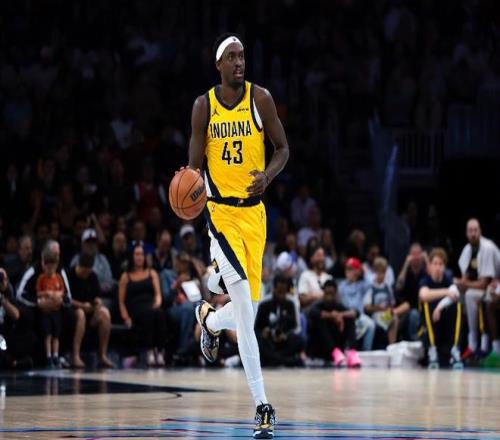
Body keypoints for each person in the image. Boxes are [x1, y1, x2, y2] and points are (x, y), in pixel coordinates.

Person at [187, 33, 289, 438]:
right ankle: (262, 405)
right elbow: (194, 169)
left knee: (250, 311)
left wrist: (269, 175)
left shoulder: (260, 99)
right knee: (245, 309)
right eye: (231, 57)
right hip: (221, 214)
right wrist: (188, 189)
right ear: (218, 65)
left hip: (254, 216)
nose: (239, 62)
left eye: (242, 56)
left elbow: (283, 149)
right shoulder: (204, 106)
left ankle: (210, 319)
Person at [456, 219, 500, 359]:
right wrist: (461, 284)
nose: (473, 233)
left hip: (495, 284)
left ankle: (492, 347)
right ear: (466, 233)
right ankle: (469, 345)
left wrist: (465, 284)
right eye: (470, 230)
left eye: (476, 230)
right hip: (482, 286)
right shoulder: (467, 250)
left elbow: (484, 283)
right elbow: (465, 278)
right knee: (461, 296)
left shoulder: (487, 247)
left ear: (480, 231)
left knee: (488, 300)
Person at [118, 242, 167, 367]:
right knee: (148, 314)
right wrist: (126, 318)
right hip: (136, 309)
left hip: (151, 305)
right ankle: (149, 351)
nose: (139, 257)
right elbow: (121, 302)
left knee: (160, 313)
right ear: (132, 256)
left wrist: (157, 303)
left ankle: (159, 351)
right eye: (136, 254)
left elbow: (158, 294)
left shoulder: (152, 273)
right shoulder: (126, 276)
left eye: (141, 254)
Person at [419, 248, 463, 369]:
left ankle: (455, 350)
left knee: (457, 305)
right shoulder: (425, 280)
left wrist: (439, 308)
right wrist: (446, 292)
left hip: (445, 322)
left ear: (444, 267)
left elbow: (455, 294)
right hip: (428, 326)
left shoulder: (448, 280)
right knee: (426, 305)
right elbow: (424, 295)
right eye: (435, 263)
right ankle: (432, 350)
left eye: (441, 264)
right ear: (430, 266)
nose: (438, 267)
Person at [68, 253, 113, 368]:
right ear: (79, 266)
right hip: (73, 311)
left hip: (90, 311)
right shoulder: (69, 275)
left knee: (105, 313)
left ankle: (102, 355)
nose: (85, 275)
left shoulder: (92, 276)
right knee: (80, 314)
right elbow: (66, 298)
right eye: (83, 272)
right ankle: (75, 356)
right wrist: (81, 305)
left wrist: (97, 302)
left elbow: (97, 296)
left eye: (88, 272)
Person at [308, 280, 360, 367]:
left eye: (331, 294)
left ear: (336, 294)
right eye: (327, 293)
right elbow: (312, 313)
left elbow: (356, 313)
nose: (329, 297)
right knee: (320, 320)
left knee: (349, 319)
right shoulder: (318, 305)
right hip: (320, 348)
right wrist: (332, 316)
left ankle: (352, 353)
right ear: (323, 293)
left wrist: (340, 315)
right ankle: (334, 352)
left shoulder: (338, 305)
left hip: (337, 345)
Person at [254, 275, 304, 367]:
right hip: (268, 341)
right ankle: (285, 361)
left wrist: (286, 335)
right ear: (274, 289)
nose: (282, 295)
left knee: (299, 340)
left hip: (284, 341)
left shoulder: (291, 304)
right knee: (258, 341)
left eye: (284, 292)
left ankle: (275, 359)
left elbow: (297, 328)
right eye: (279, 292)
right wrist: (263, 332)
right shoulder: (264, 304)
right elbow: (255, 328)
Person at [35, 250, 65, 368]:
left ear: (56, 266)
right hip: (46, 312)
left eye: (52, 267)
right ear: (44, 266)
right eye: (48, 267)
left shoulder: (58, 278)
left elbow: (62, 291)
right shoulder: (41, 278)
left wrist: (56, 294)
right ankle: (48, 356)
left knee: (56, 335)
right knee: (48, 335)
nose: (50, 270)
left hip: (56, 311)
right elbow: (38, 293)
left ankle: (55, 355)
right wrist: (47, 293)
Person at [338, 258, 375, 351]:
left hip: (359, 316)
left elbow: (372, 283)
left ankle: (366, 352)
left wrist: (363, 272)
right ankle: (346, 350)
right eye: (347, 268)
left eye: (351, 269)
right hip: (346, 315)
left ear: (357, 271)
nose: (348, 271)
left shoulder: (362, 284)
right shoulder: (342, 285)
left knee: (371, 325)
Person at [394, 242, 428, 341]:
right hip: (406, 310)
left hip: (424, 308)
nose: (416, 257)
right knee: (413, 313)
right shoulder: (406, 271)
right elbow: (398, 286)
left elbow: (433, 278)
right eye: (414, 254)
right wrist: (406, 264)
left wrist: (426, 260)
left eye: (418, 254)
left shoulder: (425, 271)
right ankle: (414, 341)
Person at [364, 257, 398, 346]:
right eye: (378, 272)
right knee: (393, 319)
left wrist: (388, 309)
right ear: (374, 272)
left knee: (394, 316)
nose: (381, 275)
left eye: (383, 272)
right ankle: (392, 346)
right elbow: (367, 307)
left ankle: (392, 346)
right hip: (375, 318)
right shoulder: (371, 288)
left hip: (387, 314)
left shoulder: (387, 288)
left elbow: (392, 303)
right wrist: (380, 308)